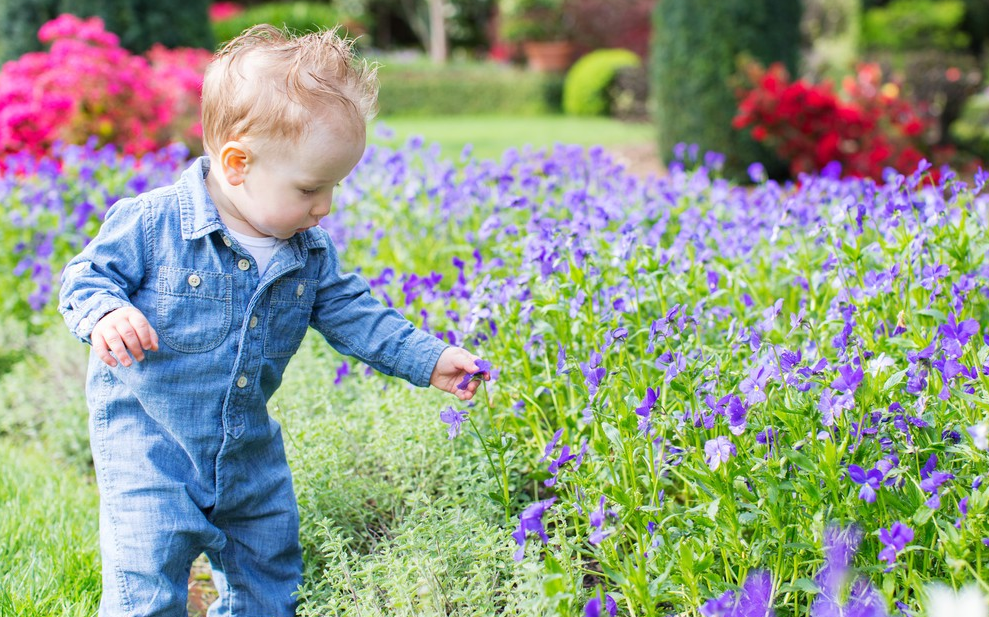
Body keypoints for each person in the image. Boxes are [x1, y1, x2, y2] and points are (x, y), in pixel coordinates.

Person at [58, 24, 486, 616]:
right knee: (147, 583)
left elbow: (355, 313)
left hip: (248, 450)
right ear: (238, 163)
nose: (326, 206)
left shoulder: (306, 251)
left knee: (272, 577)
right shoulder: (152, 223)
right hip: (150, 446)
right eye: (312, 187)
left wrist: (428, 358)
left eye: (334, 186)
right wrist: (107, 313)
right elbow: (85, 279)